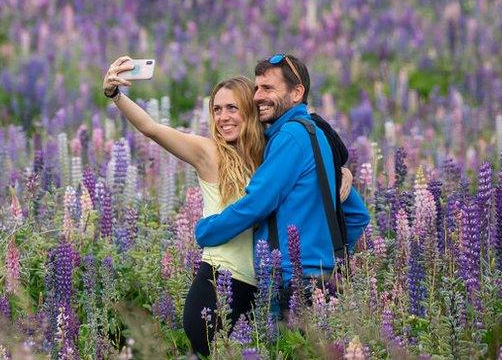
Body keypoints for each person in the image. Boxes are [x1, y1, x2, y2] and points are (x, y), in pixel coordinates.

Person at [101, 56, 354, 357]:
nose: (223, 117)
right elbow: (152, 128)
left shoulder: (268, 154)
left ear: (250, 111)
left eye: (232, 108)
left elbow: (307, 174)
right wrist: (115, 95)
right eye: (217, 110)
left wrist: (342, 172)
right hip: (216, 285)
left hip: (260, 294)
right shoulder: (209, 152)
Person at [194, 54, 371, 315]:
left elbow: (256, 204)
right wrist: (325, 258)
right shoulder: (315, 133)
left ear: (297, 92)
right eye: (256, 88)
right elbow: (356, 214)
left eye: (268, 88)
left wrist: (206, 231)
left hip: (290, 285)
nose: (257, 97)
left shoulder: (290, 137)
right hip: (324, 285)